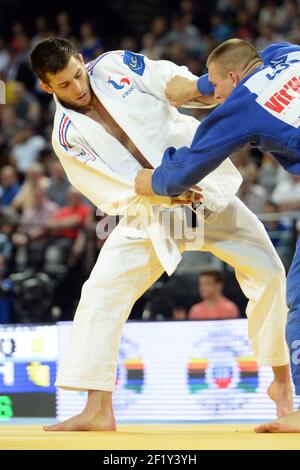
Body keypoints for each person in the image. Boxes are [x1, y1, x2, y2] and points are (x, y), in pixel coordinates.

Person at [29, 38, 292, 432]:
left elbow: (167, 81)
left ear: (82, 60)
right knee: (102, 293)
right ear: (47, 88)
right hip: (152, 213)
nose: (79, 87)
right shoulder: (66, 136)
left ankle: (282, 385)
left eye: (78, 74)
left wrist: (195, 85)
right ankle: (97, 407)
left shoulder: (116, 66)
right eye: (65, 85)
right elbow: (108, 190)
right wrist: (164, 195)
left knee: (270, 273)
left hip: (204, 189)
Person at [135, 38, 300, 432]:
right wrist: (200, 86)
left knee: (299, 299)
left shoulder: (241, 107)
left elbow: (180, 176)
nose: (217, 96)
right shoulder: (286, 54)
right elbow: (254, 62)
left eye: (217, 85)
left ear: (233, 77)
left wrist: (150, 180)